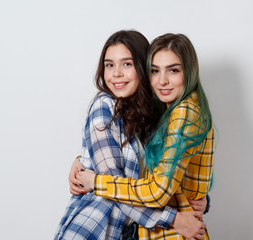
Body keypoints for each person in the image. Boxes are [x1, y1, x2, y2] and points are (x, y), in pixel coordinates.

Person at [54, 30, 208, 240]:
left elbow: (162, 174)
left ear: (142, 68)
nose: (116, 73)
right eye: (109, 65)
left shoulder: (157, 111)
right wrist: (174, 219)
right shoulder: (104, 107)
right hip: (99, 228)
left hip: (140, 231)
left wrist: (200, 198)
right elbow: (111, 184)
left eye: (126, 64)